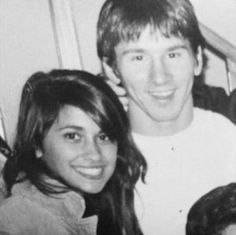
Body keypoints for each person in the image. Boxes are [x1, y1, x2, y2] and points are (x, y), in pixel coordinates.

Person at [96, 0, 236, 234]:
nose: (159, 77)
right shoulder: (97, 161)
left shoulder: (229, 136)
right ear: (111, 69)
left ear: (198, 60)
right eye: (138, 58)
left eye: (173, 54)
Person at [0, 69, 146, 235]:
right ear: (37, 144)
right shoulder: (17, 225)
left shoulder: (97, 205)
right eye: (73, 136)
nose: (94, 154)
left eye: (104, 136)